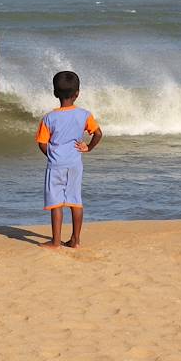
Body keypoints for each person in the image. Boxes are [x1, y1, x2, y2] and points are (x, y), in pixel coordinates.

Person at [35, 70, 103, 249]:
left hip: (56, 164)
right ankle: (75, 240)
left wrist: (51, 153)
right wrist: (88, 147)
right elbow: (98, 133)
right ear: (77, 94)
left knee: (56, 202)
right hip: (75, 164)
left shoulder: (49, 118)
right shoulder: (84, 114)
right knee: (75, 200)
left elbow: (42, 143)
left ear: (55, 93)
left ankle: (56, 242)